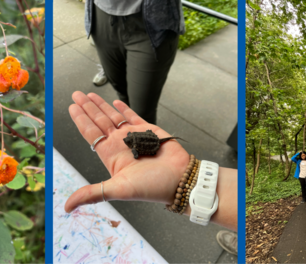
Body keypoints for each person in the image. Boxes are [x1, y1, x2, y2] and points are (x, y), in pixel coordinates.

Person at [65, 91, 237, 232]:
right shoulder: (134, 140)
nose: (127, 143)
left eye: (128, 142)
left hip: (152, 143)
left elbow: (137, 153)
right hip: (151, 140)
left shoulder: (136, 146)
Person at [84, 0, 184, 124]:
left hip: (153, 23)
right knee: (121, 94)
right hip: (101, 16)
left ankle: (142, 141)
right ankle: (129, 133)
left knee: (142, 114)